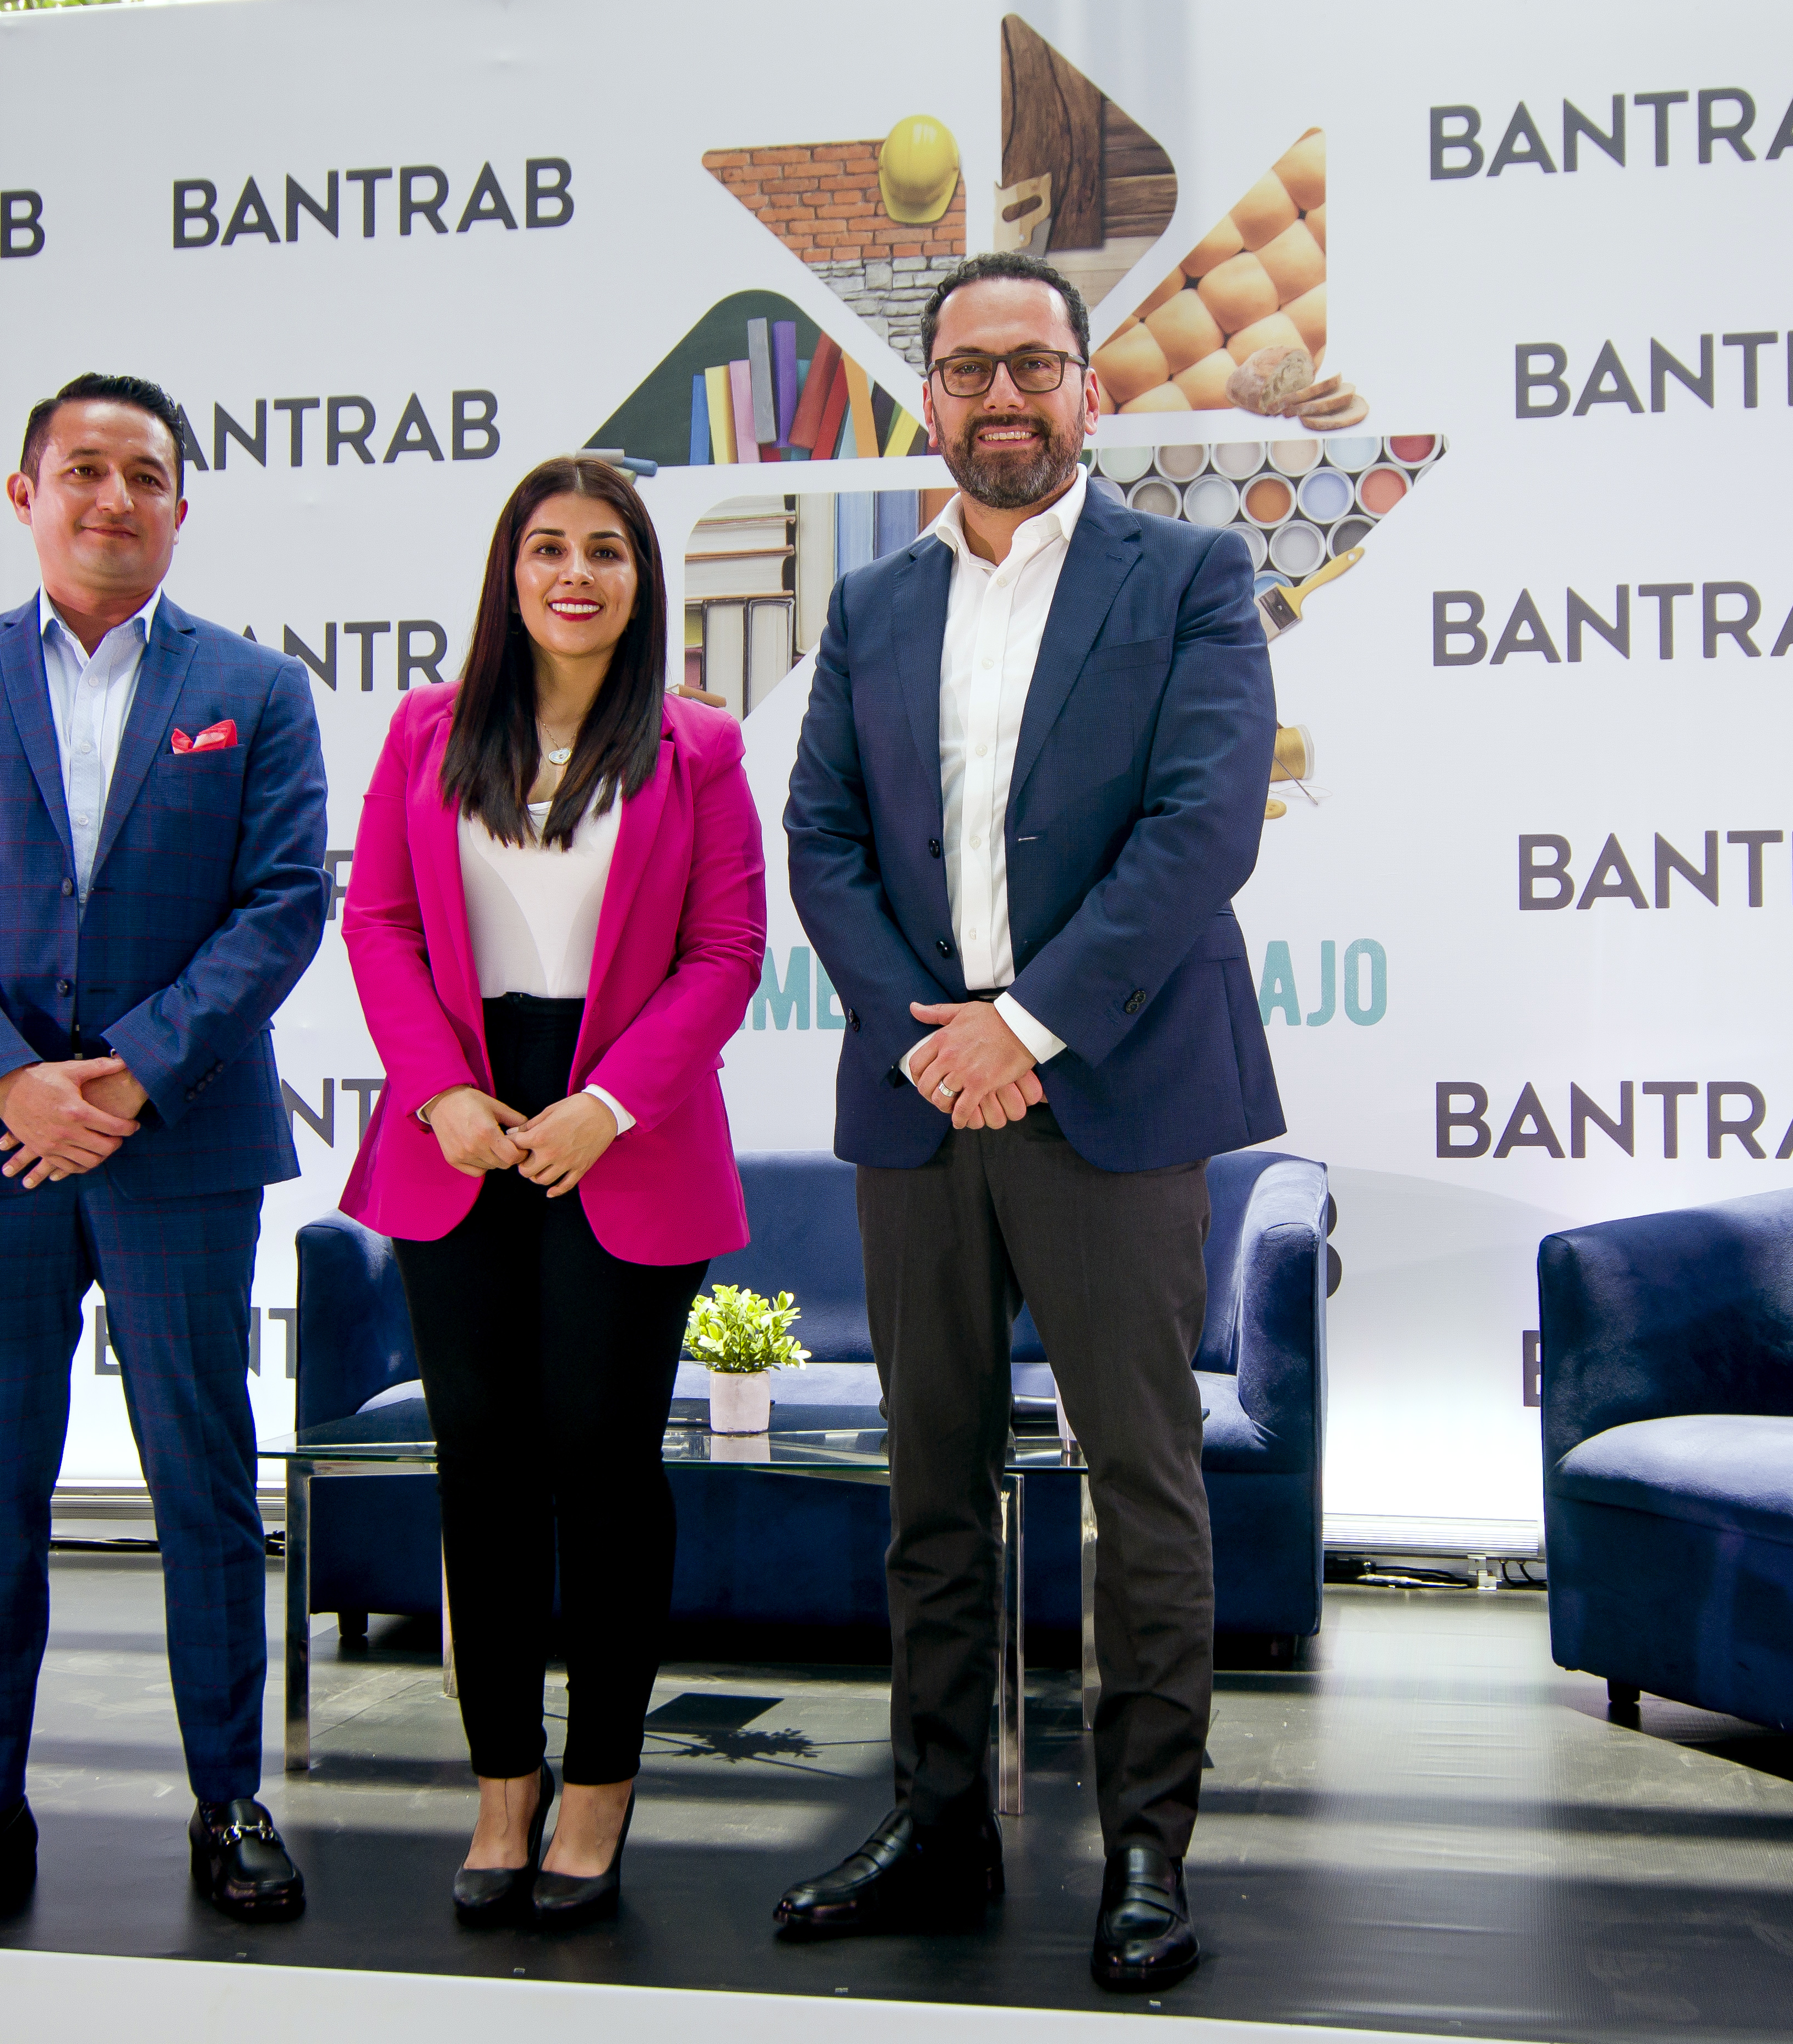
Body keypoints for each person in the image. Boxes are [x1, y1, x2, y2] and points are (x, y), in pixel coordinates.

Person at [777, 253, 1283, 1989]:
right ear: (932, 399)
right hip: (922, 1096)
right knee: (932, 1484)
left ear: (1091, 390)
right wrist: (939, 1045)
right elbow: (821, 840)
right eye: (972, 370)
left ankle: (1146, 1844)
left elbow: (1203, 831)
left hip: (1111, 1092)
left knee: (1142, 1485)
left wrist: (1031, 1029)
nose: (1006, 398)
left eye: (1037, 368)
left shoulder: (1193, 577)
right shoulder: (870, 605)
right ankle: (940, 1821)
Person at [0, 373, 329, 1932]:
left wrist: (126, 1077)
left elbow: (282, 905)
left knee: (201, 1481)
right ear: (25, 491)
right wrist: (11, 1084)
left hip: (175, 1141)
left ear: (184, 506)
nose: (113, 498)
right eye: (84, 470)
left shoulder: (254, 691)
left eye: (145, 475)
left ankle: (229, 1799)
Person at [336, 455, 764, 1928]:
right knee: (485, 1471)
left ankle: (598, 1792)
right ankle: (501, 1787)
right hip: (455, 1118)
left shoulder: (697, 747)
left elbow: (725, 959)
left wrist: (608, 1102)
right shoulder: (424, 733)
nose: (573, 573)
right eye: (546, 548)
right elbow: (380, 919)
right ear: (509, 574)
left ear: (644, 582)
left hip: (622, 1119)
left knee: (603, 1463)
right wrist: (441, 1091)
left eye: (606, 551)